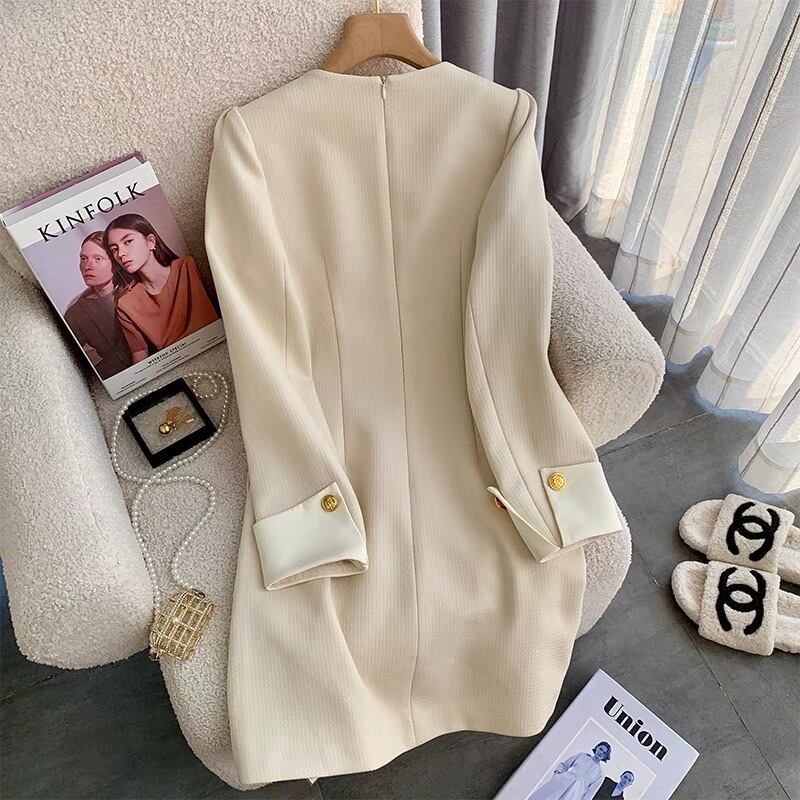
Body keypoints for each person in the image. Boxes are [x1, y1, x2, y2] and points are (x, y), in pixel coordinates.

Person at [106, 213, 219, 362]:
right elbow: (139, 353)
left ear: (151, 242)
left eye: (128, 241)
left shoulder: (189, 266)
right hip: (176, 364)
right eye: (114, 249)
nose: (120, 254)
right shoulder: (126, 304)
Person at [64, 231, 133, 378]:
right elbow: (65, 356)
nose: (87, 266)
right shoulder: (76, 312)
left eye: (98, 258)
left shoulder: (136, 290)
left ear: (115, 263)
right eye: (83, 258)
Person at [528, 742, 612, 800]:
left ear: (606, 756)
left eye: (604, 753)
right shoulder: (582, 756)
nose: (601, 753)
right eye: (601, 749)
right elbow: (564, 765)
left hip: (574, 795)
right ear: (597, 747)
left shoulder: (600, 774)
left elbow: (590, 793)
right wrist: (557, 775)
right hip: (560, 783)